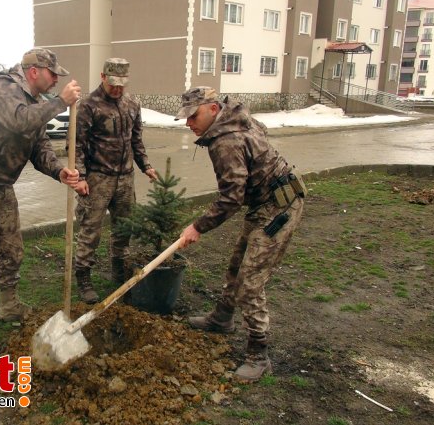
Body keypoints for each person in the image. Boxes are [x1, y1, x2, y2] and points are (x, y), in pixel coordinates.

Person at [0, 48, 82, 363]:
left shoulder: (36, 103)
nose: (56, 79)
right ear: (35, 71)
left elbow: (38, 147)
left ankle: (8, 305)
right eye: (53, 74)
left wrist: (59, 170)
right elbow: (19, 121)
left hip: (2, 183)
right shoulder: (2, 89)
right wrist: (61, 102)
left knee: (13, 250)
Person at [176, 87, 305, 382]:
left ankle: (258, 355)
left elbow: (231, 198)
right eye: (185, 117)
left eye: (193, 115)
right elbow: (262, 133)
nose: (188, 123)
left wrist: (198, 227)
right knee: (237, 263)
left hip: (280, 207)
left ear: (212, 108)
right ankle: (222, 318)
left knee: (250, 282)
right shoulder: (236, 115)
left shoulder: (225, 141)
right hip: (265, 202)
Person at [72, 58, 157, 303]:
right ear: (103, 76)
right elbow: (76, 144)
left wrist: (146, 166)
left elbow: (136, 140)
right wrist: (80, 176)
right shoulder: (88, 106)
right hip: (97, 179)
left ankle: (118, 271)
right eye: (113, 84)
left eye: (122, 85)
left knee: (123, 229)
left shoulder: (132, 104)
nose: (117, 89)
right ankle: (84, 278)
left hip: (125, 179)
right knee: (90, 230)